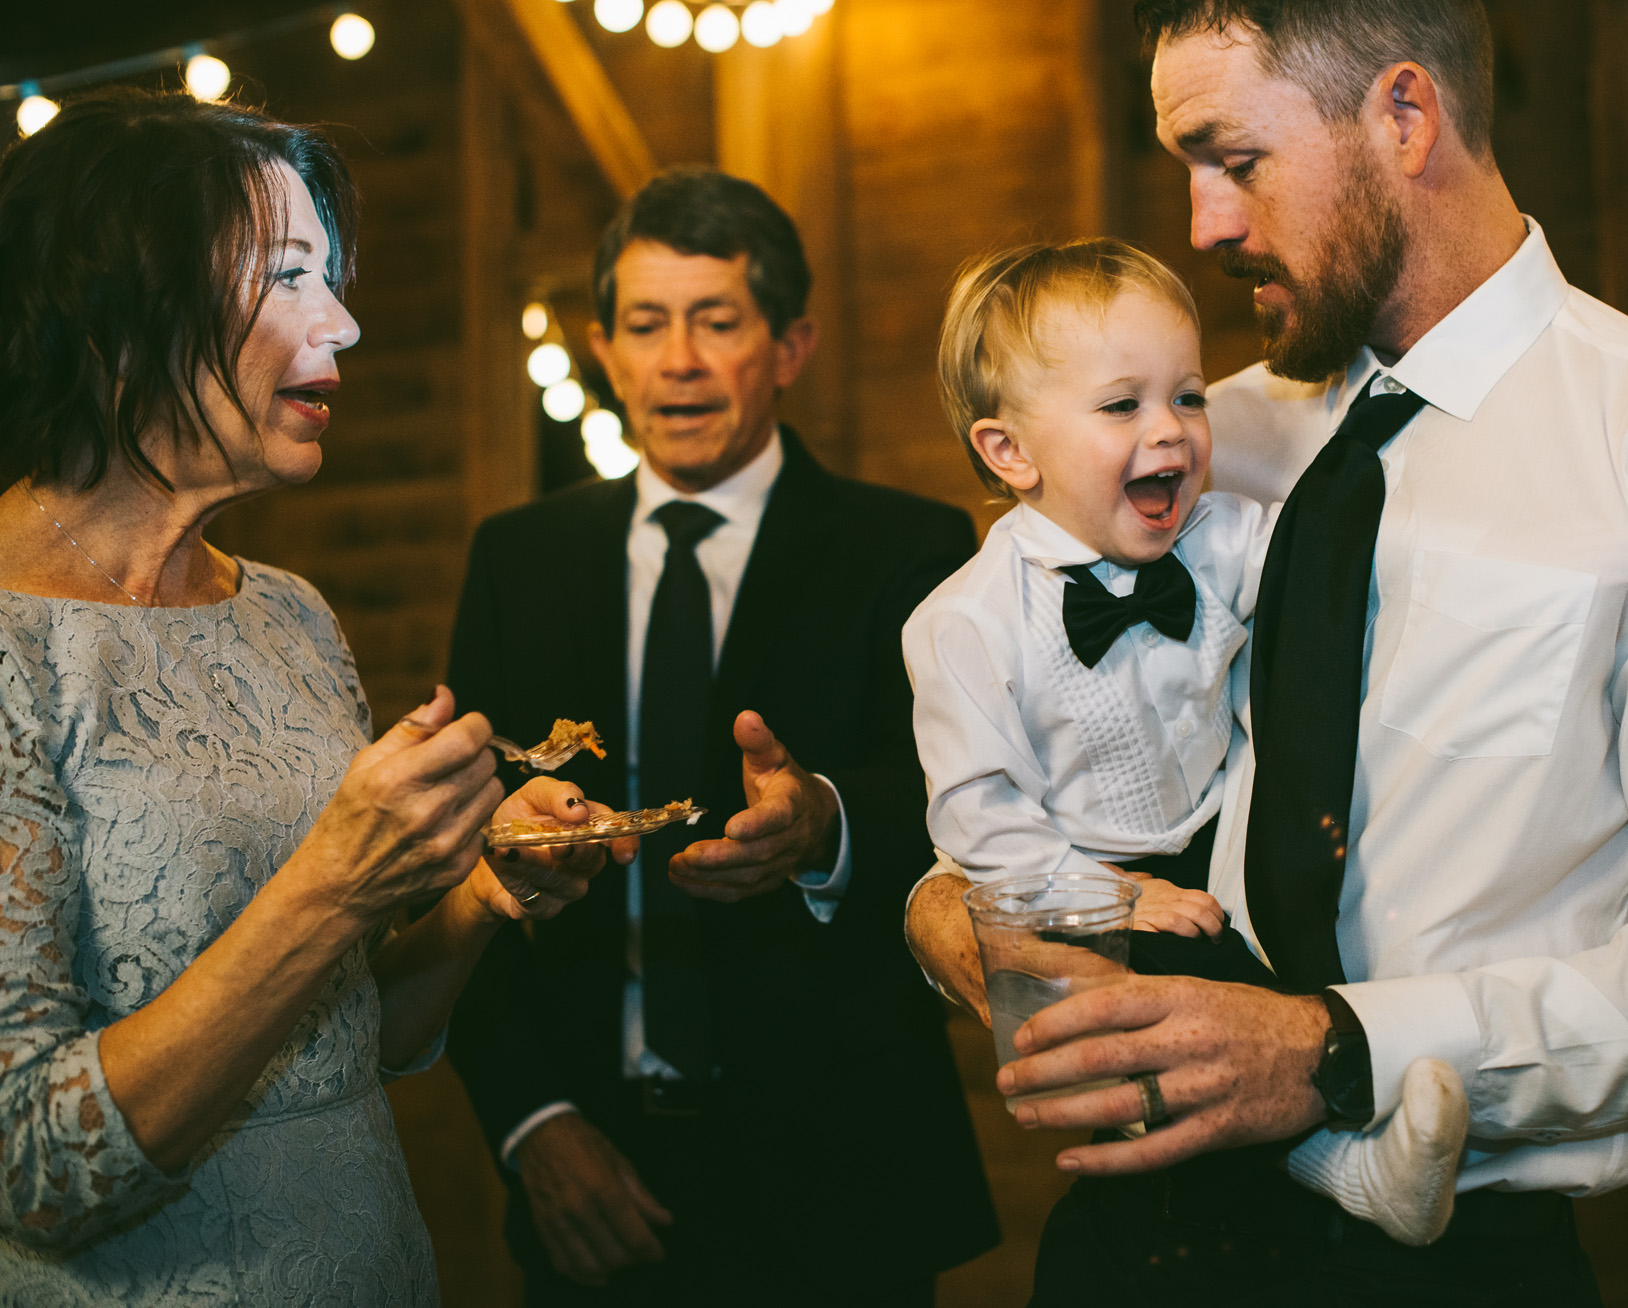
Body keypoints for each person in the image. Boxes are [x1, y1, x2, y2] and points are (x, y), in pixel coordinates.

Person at [906, 1, 1628, 1303]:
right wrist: (935, 899)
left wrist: (1344, 1051)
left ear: (1403, 116)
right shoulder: (1205, 440)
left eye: (1234, 160)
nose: (1205, 226)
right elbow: (1026, 683)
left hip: (1449, 1263)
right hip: (1138, 1240)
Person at [0, 90, 632, 1305]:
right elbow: (33, 1166)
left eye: (329, 277)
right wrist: (338, 875)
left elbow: (356, 1040)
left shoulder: (286, 612)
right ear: (123, 307)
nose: (341, 321)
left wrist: (475, 896)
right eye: (288, 277)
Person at [444, 166, 997, 1306]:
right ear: (605, 348)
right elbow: (461, 854)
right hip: (593, 1173)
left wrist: (826, 823)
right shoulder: (518, 560)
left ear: (789, 346)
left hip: (843, 1173)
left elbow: (964, 810)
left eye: (716, 323)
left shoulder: (910, 547)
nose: (677, 361)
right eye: (646, 326)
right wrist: (531, 1124)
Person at [906, 237, 1468, 1248]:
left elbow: (1339, 599)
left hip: (1218, 839)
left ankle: (1341, 1149)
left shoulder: (1226, 542)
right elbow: (978, 821)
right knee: (1152, 1048)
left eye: (1190, 396)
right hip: (1070, 880)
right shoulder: (965, 623)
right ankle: (1344, 1173)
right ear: (1009, 452)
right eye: (1122, 406)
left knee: (1281, 998)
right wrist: (1114, 895)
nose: (1169, 431)